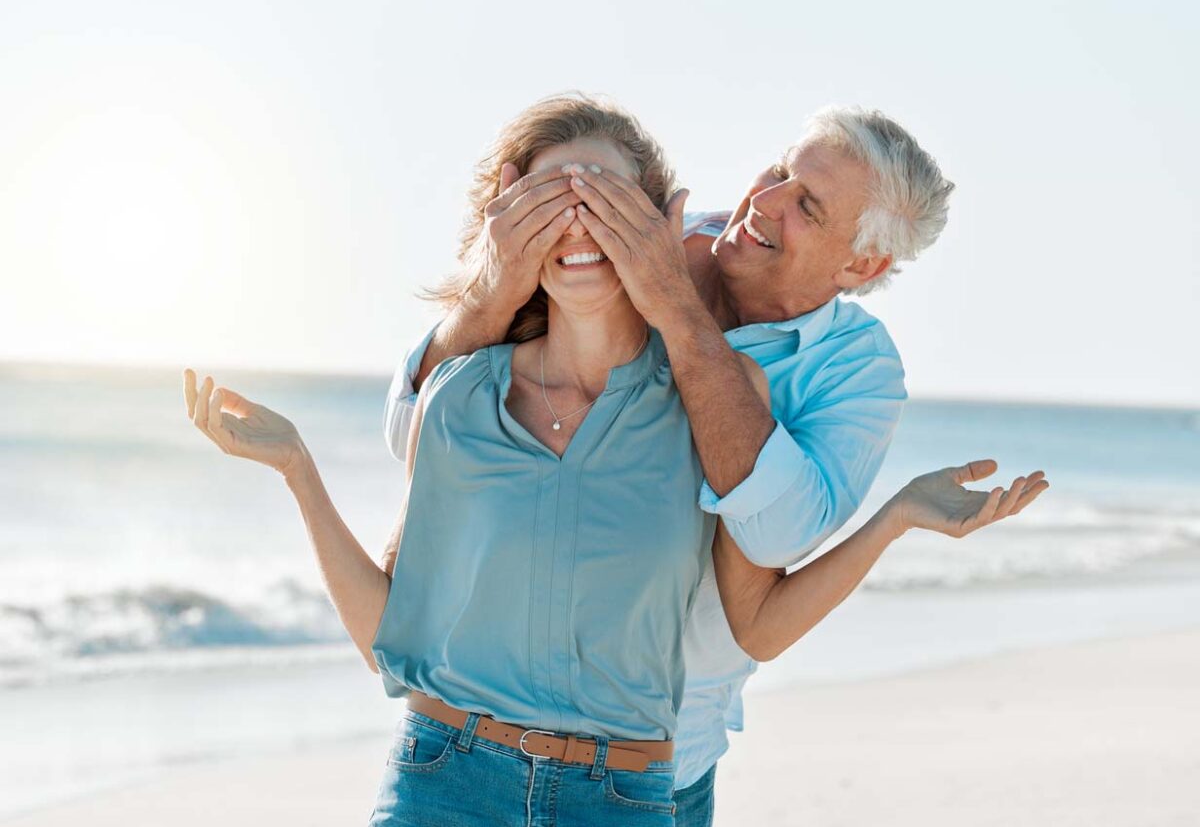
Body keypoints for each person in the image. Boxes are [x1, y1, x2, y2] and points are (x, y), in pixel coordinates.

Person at [184, 95, 1047, 825]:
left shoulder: (851, 370)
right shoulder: (621, 245)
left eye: (808, 206)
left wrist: (677, 313)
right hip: (458, 754)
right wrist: (494, 289)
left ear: (864, 263)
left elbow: (773, 547)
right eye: (780, 169)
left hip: (657, 762)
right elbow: (426, 429)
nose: (766, 200)